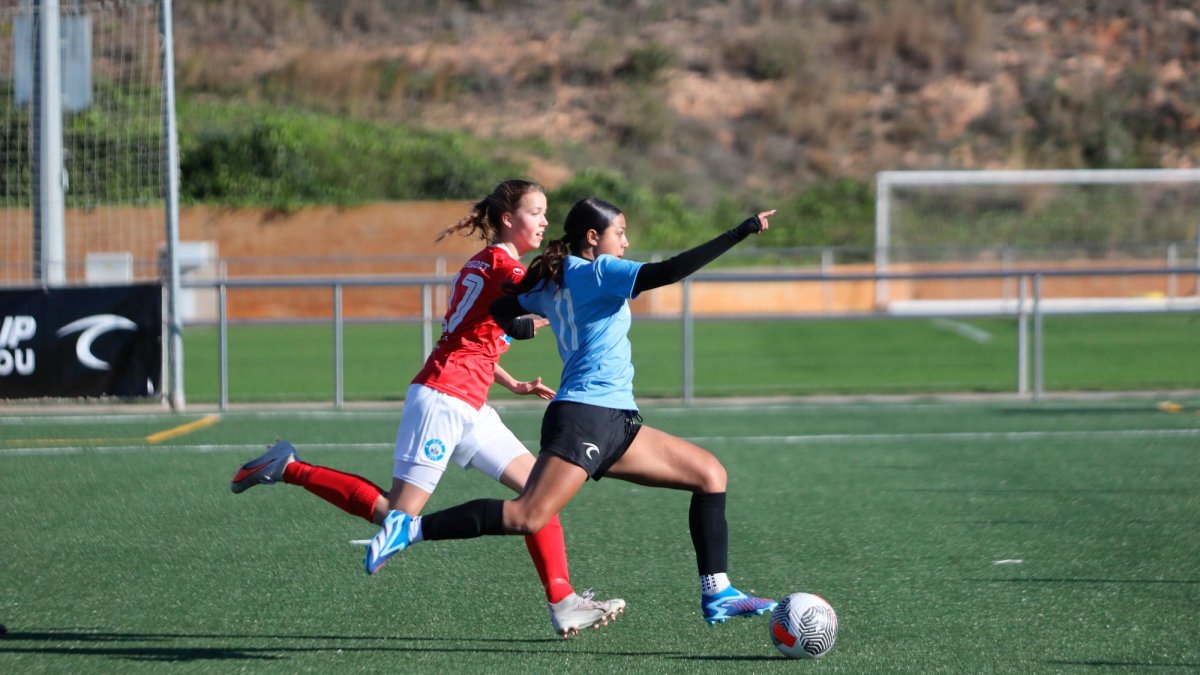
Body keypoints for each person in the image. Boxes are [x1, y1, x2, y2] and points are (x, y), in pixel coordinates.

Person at [230, 180, 624, 638]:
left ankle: (564, 601)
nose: (543, 221)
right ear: (506, 220)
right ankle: (288, 467)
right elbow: (537, 307)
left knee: (539, 497)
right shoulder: (503, 266)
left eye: (545, 213)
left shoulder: (489, 264)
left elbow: (475, 332)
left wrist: (510, 380)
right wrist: (596, 275)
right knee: (397, 515)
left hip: (470, 401)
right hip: (444, 397)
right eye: (535, 212)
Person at [364, 196, 779, 625]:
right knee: (529, 515)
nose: (627, 241)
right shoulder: (599, 271)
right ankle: (409, 529)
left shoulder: (553, 278)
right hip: (586, 415)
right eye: (620, 233)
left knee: (709, 475)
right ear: (593, 237)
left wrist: (519, 326)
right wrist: (740, 231)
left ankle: (718, 592)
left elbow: (503, 308)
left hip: (615, 417)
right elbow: (668, 271)